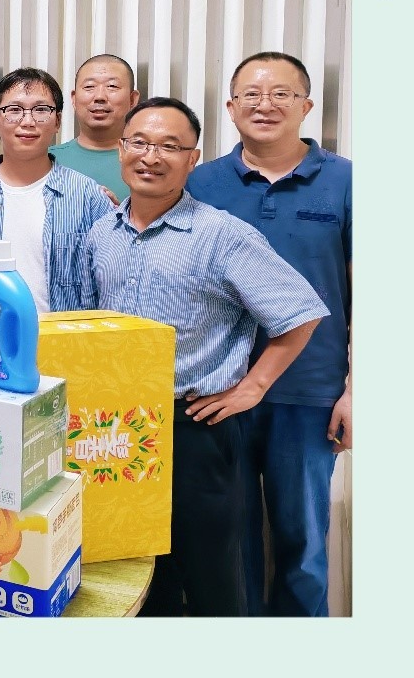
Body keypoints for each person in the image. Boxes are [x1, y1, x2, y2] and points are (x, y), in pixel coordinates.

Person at [81, 96, 328, 617]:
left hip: (195, 426)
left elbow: (301, 313)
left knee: (212, 575)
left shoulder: (222, 235)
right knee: (138, 569)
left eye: (170, 146)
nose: (152, 156)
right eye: (140, 142)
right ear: (122, 149)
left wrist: (253, 387)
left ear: (193, 158)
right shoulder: (102, 232)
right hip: (121, 429)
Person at [186, 52, 351, 617]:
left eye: (282, 94)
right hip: (218, 391)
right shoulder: (201, 182)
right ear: (231, 109)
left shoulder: (346, 181)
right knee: (231, 543)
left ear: (306, 106)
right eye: (251, 95)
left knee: (302, 541)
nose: (265, 105)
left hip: (310, 391)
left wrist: (356, 390)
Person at [0, 67, 112, 310]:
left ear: (57, 121)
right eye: (14, 110)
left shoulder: (87, 195)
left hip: (64, 333)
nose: (27, 121)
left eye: (41, 110)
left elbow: (110, 280)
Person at [51, 54, 140, 202]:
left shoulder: (148, 162)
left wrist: (122, 213)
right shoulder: (46, 160)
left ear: (132, 99)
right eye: (89, 87)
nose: (99, 96)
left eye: (112, 86)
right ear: (74, 99)